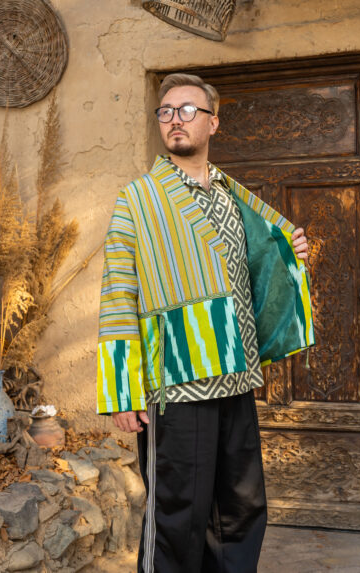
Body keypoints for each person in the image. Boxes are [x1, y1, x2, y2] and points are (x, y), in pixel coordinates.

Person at [97, 73, 314, 573]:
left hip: (236, 377)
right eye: (166, 111)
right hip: (176, 384)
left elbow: (259, 263)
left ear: (213, 123)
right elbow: (117, 294)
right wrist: (123, 391)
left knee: (239, 511)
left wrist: (289, 250)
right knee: (177, 516)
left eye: (188, 110)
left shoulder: (233, 197)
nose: (175, 119)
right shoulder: (138, 199)